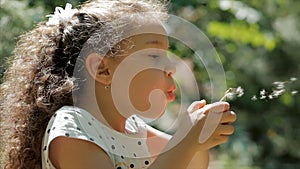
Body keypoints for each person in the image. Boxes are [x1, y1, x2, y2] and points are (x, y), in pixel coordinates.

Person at [0, 0, 236, 169]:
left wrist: (197, 139)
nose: (171, 67)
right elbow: (178, 153)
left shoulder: (134, 129)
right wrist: (186, 142)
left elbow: (190, 162)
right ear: (103, 69)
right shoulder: (71, 129)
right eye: (154, 55)